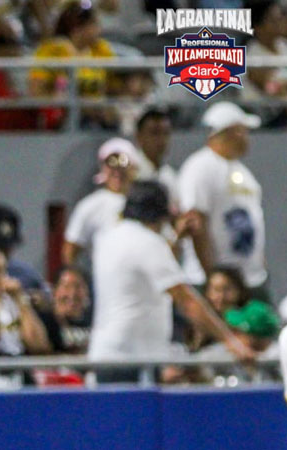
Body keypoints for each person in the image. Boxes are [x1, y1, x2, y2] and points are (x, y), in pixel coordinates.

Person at [87, 181, 255, 383]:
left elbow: (150, 271)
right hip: (134, 359)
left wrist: (176, 239)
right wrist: (232, 343)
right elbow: (186, 301)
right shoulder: (148, 242)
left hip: (105, 355)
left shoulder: (108, 238)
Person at [178, 102, 269, 302]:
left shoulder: (242, 171)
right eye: (243, 131)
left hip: (249, 278)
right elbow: (195, 223)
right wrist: (211, 276)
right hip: (217, 284)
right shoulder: (200, 166)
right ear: (230, 132)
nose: (247, 138)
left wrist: (260, 263)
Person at [62, 137, 139, 266]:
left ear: (133, 167)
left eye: (123, 163)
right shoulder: (89, 205)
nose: (117, 171)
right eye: (111, 163)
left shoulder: (145, 201)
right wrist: (74, 274)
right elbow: (70, 249)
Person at [37, 266, 91, 354]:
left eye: (78, 287)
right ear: (54, 291)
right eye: (66, 287)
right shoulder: (43, 323)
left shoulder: (95, 322)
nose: (72, 294)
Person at [134, 109, 178, 206]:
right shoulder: (130, 172)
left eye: (166, 133)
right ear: (139, 137)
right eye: (155, 133)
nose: (161, 139)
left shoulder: (169, 175)